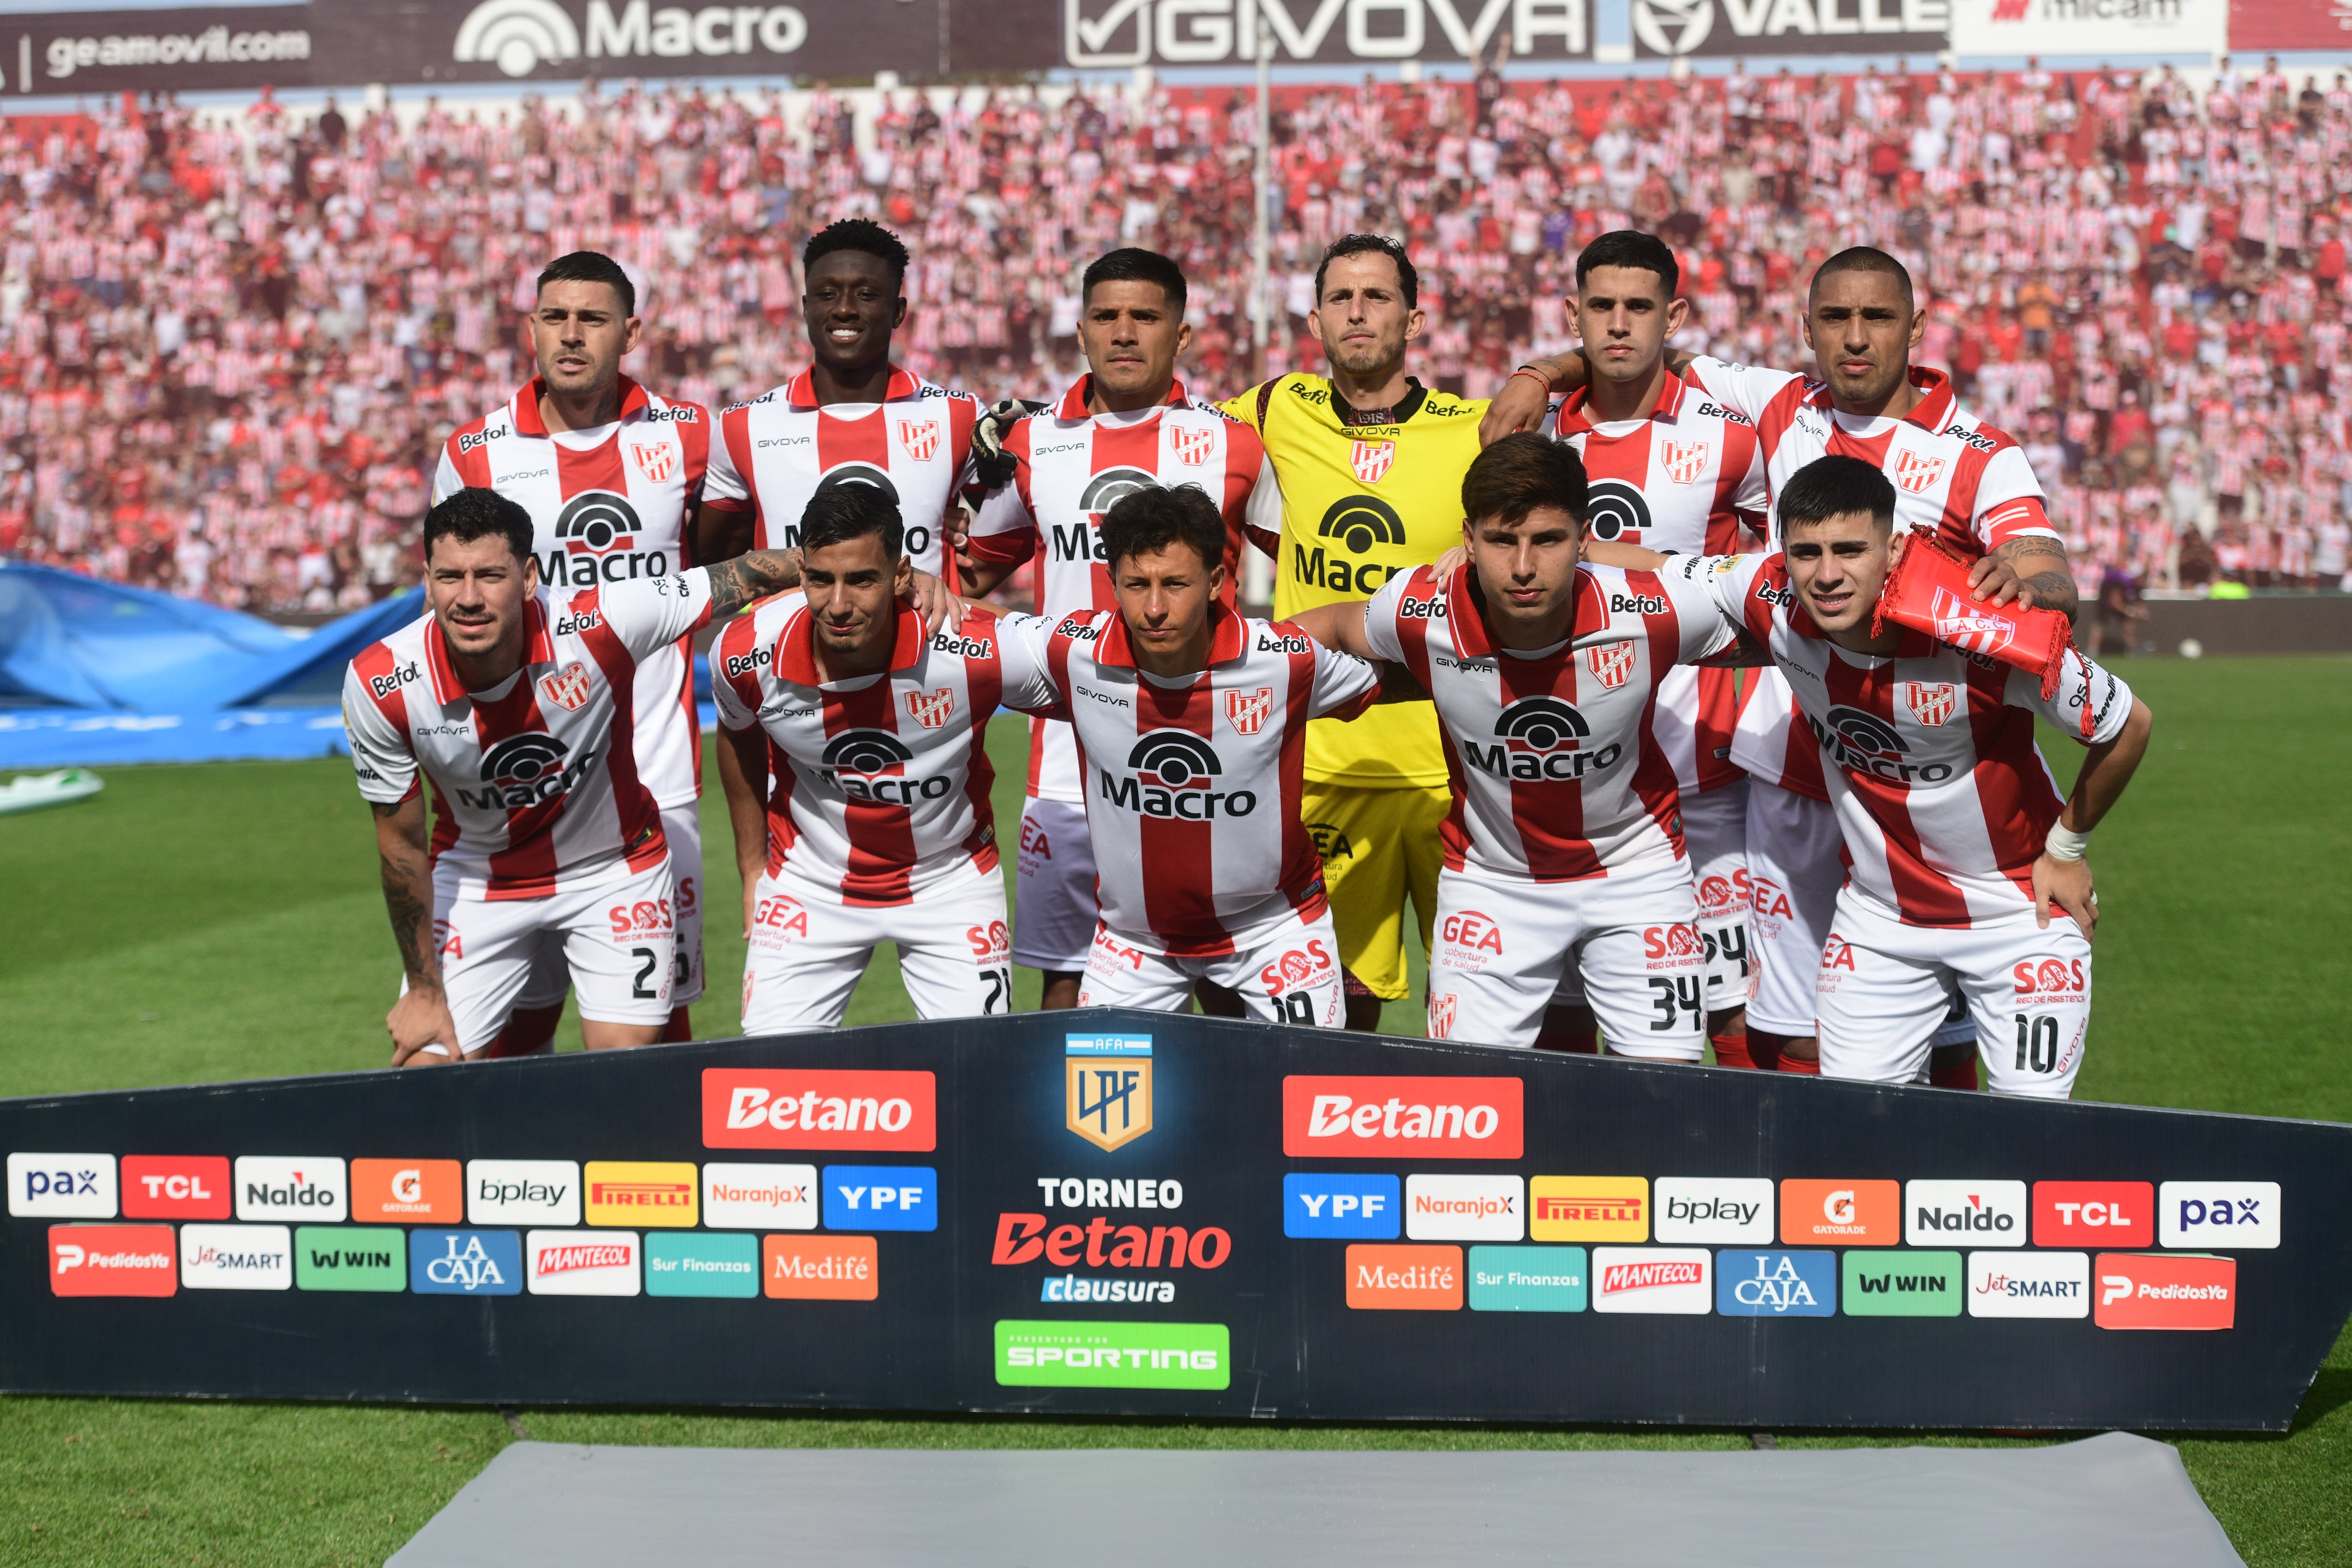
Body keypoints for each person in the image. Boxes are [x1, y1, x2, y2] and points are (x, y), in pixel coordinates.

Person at [1485, 245, 2078, 1084]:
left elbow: (2049, 578)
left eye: (1877, 318)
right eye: (1836, 318)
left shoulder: (1979, 451)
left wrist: (2015, 585)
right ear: (1808, 328)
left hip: (1927, 777)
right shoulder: (1783, 403)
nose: (1856, 338)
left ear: (1915, 327)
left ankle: (1935, 1165)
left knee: (1945, 1030)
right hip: (1794, 763)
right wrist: (1538, 375)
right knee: (1793, 1027)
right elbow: (1635, 346)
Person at [1602, 456, 2153, 1095]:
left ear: (1892, 549)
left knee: (2028, 1134)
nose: (1826, 575)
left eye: (1849, 550)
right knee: (1856, 1128)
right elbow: (1660, 566)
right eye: (1806, 553)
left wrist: (2066, 849)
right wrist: (1560, 549)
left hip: (2017, 915)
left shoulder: (1983, 628)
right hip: (1880, 920)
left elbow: (2128, 723)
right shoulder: (1768, 590)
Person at [1290, 434, 1732, 1056]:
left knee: (1664, 1089)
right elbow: (1335, 626)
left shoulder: (1653, 608)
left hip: (1639, 875)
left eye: (1547, 540)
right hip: (1492, 884)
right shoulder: (1418, 608)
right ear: (1468, 540)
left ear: (1584, 539)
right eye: (1502, 541)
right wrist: (1229, 668)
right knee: (1469, 1097)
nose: (1523, 567)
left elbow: (1778, 624)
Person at [343, 488, 803, 1064]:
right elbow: (401, 845)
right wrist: (424, 991)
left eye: (490, 575)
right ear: (428, 582)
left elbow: (747, 575)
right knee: (425, 1063)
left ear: (528, 577)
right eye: (450, 577)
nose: (468, 598)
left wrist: (887, 578)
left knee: (617, 1065)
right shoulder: (380, 684)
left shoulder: (603, 620)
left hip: (612, 869)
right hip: (479, 879)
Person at [962, 248, 1280, 1011]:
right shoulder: (1029, 444)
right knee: (1067, 986)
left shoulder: (1236, 444)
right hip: (1069, 775)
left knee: (1224, 984)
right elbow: (968, 576)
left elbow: (1298, 567)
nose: (1125, 332)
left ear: (1182, 333)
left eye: (1145, 316)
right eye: (1106, 316)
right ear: (1081, 332)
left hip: (1212, 767)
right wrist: (964, 489)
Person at [432, 250, 713, 1049]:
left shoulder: (691, 437)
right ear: (531, 328)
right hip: (524, 781)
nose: (572, 334)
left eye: (592, 318)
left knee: (655, 1025)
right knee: (512, 1030)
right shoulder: (476, 453)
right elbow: (454, 613)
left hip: (656, 780)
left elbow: (727, 561)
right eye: (555, 317)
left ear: (631, 332)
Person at [1219, 233, 1488, 1032]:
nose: (1358, 312)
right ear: (1316, 321)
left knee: (1481, 1006)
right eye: (1341, 297)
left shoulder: (1475, 428)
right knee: (1331, 1011)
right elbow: (1162, 431)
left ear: (1415, 320)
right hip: (1326, 760)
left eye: (1378, 297)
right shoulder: (1276, 409)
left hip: (1457, 765)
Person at [996, 485, 1379, 1024]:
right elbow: (973, 635)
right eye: (1137, 585)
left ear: (1215, 581)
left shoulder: (1282, 661)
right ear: (1113, 582)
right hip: (1134, 941)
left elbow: (1408, 660)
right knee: (1097, 1084)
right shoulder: (1073, 651)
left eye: (1175, 584)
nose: (1154, 608)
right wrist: (924, 589)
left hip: (1273, 930)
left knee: (1304, 1079)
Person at [1541, 229, 1769, 1065]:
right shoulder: (1534, 439)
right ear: (1574, 315)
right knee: (1566, 1018)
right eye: (1601, 306)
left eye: (1639, 306)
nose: (1618, 323)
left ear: (1673, 317)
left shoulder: (1731, 435)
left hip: (1704, 772)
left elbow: (1775, 572)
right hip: (1574, 768)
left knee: (1730, 1012)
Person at [712, 485, 1040, 1032]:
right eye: (821, 579)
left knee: (979, 1067)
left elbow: (1086, 679)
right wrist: (751, 867)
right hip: (807, 885)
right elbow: (736, 733)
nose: (838, 605)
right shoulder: (743, 652)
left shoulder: (968, 646)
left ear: (901, 575)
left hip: (950, 882)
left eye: (863, 580)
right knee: (769, 1073)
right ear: (800, 572)